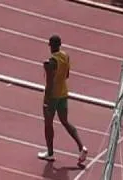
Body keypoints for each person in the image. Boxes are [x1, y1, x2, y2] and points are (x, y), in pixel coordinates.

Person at [38, 35, 88, 164]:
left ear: (51, 46)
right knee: (65, 121)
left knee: (48, 124)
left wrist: (46, 101)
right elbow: (67, 75)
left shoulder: (50, 63)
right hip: (63, 94)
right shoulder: (66, 56)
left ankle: (50, 153)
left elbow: (49, 83)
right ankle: (81, 147)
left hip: (52, 96)